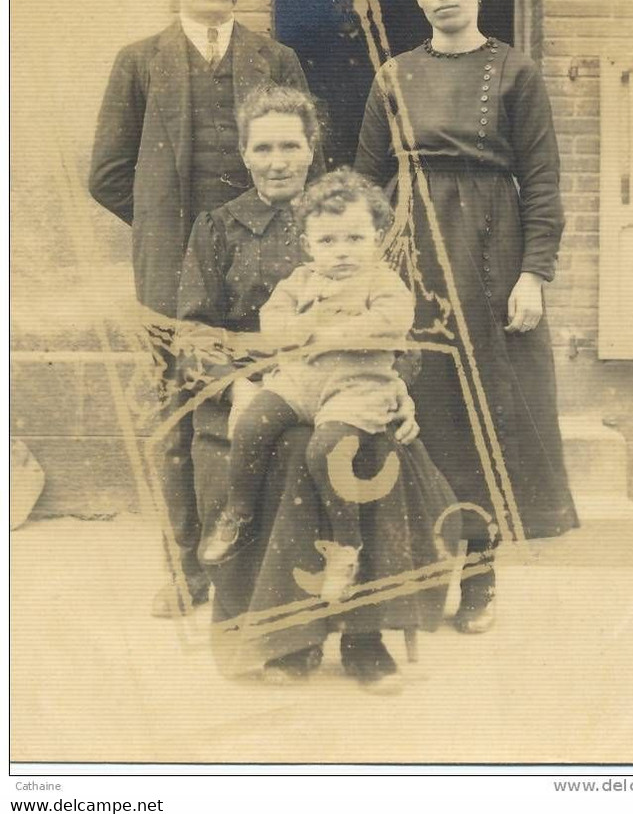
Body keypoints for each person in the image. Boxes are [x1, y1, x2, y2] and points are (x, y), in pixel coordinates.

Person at [177, 85, 460, 691]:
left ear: (312, 151)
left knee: (362, 450)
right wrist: (241, 390)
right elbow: (192, 339)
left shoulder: (353, 220)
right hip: (256, 396)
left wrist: (399, 390)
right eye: (263, 147)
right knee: (278, 447)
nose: (278, 160)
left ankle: (364, 638)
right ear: (245, 154)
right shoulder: (216, 229)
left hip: (351, 394)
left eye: (291, 145)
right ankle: (286, 637)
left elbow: (399, 327)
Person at [88, 0, 321, 619]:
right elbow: (105, 173)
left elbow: (301, 158)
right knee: (178, 418)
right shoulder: (138, 61)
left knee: (271, 408)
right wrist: (177, 240)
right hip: (168, 278)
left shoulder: (275, 59)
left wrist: (247, 243)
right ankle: (184, 568)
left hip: (265, 273)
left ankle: (261, 567)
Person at [355, 0, 579, 633]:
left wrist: (533, 275)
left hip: (489, 259)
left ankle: (478, 578)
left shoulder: (515, 72)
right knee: (420, 416)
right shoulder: (393, 76)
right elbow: (364, 181)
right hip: (411, 259)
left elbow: (542, 183)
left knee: (487, 419)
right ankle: (414, 582)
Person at [201, 167, 416, 607]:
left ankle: (346, 546)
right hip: (302, 380)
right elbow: (274, 325)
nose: (342, 252)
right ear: (308, 245)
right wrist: (305, 326)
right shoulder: (299, 282)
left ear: (378, 236)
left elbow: (390, 323)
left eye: (355, 239)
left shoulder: (383, 282)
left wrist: (323, 333)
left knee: (326, 451)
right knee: (253, 422)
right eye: (328, 241)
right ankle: (238, 511)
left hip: (358, 386)